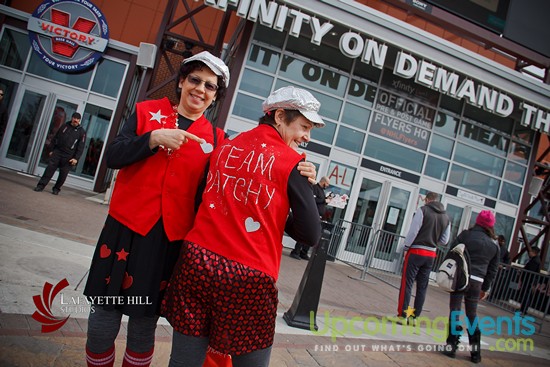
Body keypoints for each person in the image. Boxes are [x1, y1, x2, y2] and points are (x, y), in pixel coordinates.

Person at [82, 53, 316, 367]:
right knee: (102, 324)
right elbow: (112, 155)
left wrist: (295, 178)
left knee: (143, 327)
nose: (200, 89)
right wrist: (151, 139)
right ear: (181, 82)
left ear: (216, 96)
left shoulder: (219, 141)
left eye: (210, 86)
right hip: (124, 231)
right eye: (195, 80)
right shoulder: (145, 113)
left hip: (170, 243)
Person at [162, 86, 325, 367]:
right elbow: (310, 234)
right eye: (304, 126)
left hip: (197, 261)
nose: (307, 136)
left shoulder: (224, 147)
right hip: (248, 276)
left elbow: (202, 198)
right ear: (280, 116)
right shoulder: (292, 163)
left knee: (183, 360)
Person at [441, 210, 500, 363]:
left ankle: (451, 346)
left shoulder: (466, 235)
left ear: (477, 221)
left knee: (455, 310)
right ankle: (475, 353)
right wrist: (485, 288)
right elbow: (492, 270)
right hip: (477, 282)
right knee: (471, 314)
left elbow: (452, 252)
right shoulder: (494, 245)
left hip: (461, 277)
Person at [394, 192, 451, 324]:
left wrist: (406, 247)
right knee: (422, 286)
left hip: (416, 251)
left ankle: (403, 315)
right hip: (431, 254)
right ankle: (414, 317)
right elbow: (445, 240)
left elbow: (413, 232)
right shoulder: (446, 217)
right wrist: (433, 240)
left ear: (428, 200)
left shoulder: (422, 211)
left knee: (407, 284)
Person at [34, 112, 86, 195]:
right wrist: (51, 150)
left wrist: (76, 158)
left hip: (69, 156)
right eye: (74, 118)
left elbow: (81, 147)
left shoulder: (82, 132)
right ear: (72, 118)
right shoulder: (64, 126)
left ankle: (56, 189)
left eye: (77, 119)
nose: (76, 120)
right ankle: (40, 186)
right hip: (58, 152)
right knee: (49, 170)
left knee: (63, 175)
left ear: (79, 120)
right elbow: (55, 138)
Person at [289, 176, 330, 260]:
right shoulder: (315, 188)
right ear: (324, 182)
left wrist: (325, 201)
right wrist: (323, 201)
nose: (327, 186)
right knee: (305, 233)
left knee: (311, 234)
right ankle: (295, 251)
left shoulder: (322, 191)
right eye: (327, 184)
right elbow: (313, 201)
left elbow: (321, 202)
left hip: (319, 216)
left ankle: (304, 252)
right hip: (312, 215)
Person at [518, 246, 541, 315]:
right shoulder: (533, 259)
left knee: (526, 295)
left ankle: (523, 310)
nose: (529, 252)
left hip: (529, 281)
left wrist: (524, 272)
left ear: (534, 252)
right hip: (528, 280)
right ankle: (522, 309)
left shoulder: (535, 261)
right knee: (525, 294)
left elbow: (531, 271)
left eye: (531, 251)